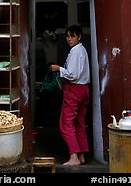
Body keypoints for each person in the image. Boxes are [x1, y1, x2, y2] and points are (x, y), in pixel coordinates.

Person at [50, 24, 90, 166]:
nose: (69, 39)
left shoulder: (75, 51)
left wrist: (58, 68)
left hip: (74, 90)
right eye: (67, 36)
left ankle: (73, 157)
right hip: (84, 90)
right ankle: (82, 154)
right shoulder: (83, 50)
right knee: (79, 123)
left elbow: (73, 75)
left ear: (79, 37)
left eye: (72, 36)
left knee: (66, 124)